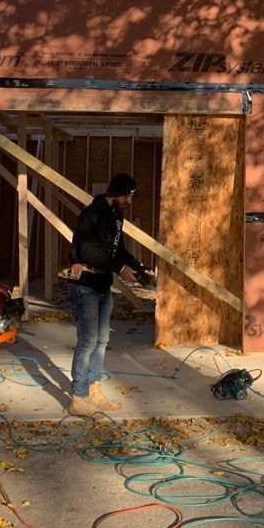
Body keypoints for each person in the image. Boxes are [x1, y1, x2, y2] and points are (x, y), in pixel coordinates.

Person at [66, 172, 150, 415]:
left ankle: (94, 388)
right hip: (85, 285)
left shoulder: (116, 215)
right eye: (126, 196)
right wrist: (120, 269)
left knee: (102, 340)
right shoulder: (91, 215)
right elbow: (90, 252)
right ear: (115, 193)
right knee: (87, 341)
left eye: (130, 197)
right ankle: (79, 397)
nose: (128, 201)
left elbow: (117, 247)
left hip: (103, 285)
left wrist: (135, 265)